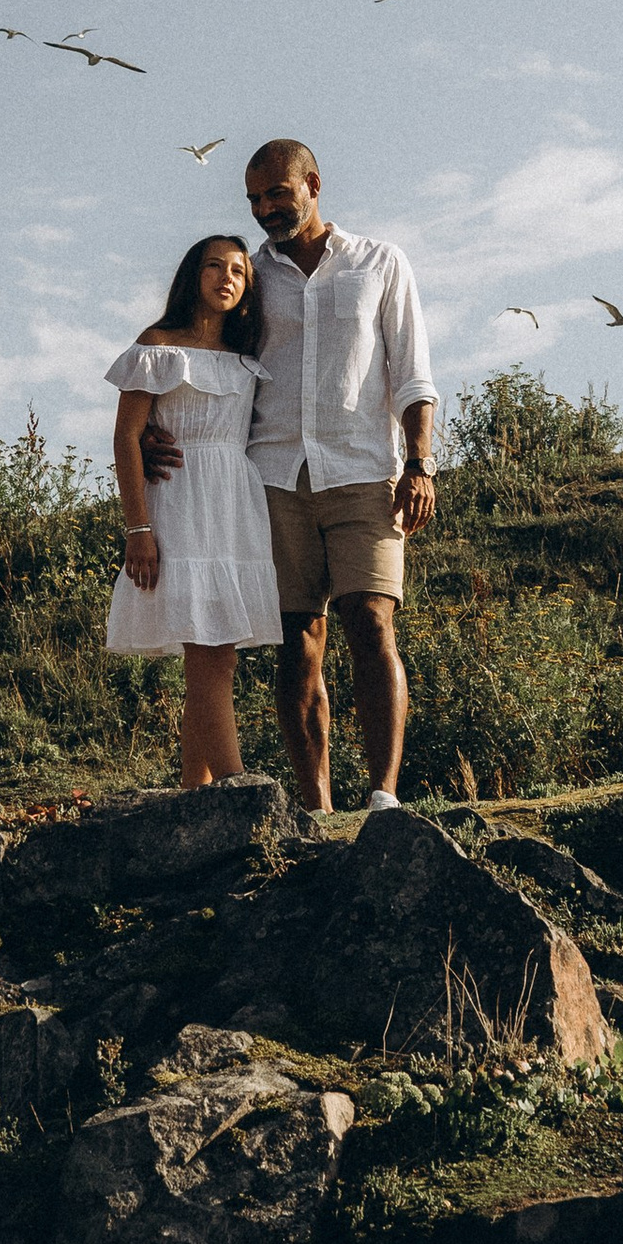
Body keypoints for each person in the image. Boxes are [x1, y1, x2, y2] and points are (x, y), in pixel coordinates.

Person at [152, 138, 436, 815]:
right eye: (254, 199)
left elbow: (414, 374)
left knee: (371, 622)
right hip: (272, 475)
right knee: (297, 639)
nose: (265, 209)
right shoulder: (251, 274)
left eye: (276, 193)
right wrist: (158, 419)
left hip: (366, 468)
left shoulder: (380, 262)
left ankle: (384, 797)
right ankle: (317, 806)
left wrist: (421, 462)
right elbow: (194, 339)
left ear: (312, 183)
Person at [103, 231, 281, 787]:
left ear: (247, 286)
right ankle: (237, 789)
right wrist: (139, 529)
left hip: (234, 506)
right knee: (208, 652)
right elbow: (127, 439)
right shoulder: (159, 344)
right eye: (213, 267)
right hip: (179, 502)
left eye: (237, 270)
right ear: (192, 275)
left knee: (217, 655)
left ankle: (194, 794)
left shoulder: (247, 356)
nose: (225, 278)